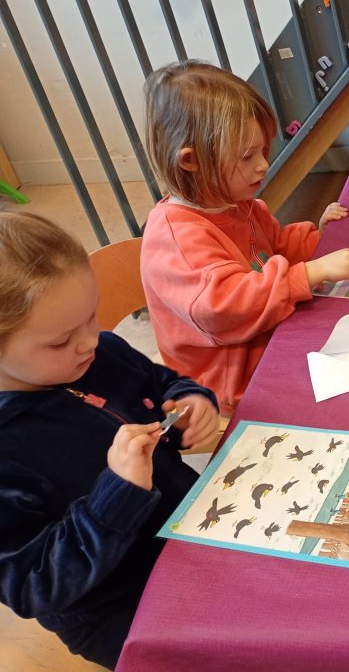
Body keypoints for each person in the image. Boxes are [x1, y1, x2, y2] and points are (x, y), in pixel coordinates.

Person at [0, 212, 220, 668]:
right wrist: (117, 495)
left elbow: (160, 382)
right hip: (119, 607)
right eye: (61, 341)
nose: (89, 342)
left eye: (92, 315)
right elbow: (32, 585)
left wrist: (190, 399)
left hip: (197, 528)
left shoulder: (103, 351)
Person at [141, 61, 349, 412]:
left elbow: (275, 248)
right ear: (190, 161)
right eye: (247, 156)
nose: (263, 165)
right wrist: (309, 273)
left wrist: (319, 240)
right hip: (229, 380)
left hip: (268, 333)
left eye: (263, 151)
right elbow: (224, 307)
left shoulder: (239, 203)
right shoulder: (175, 239)